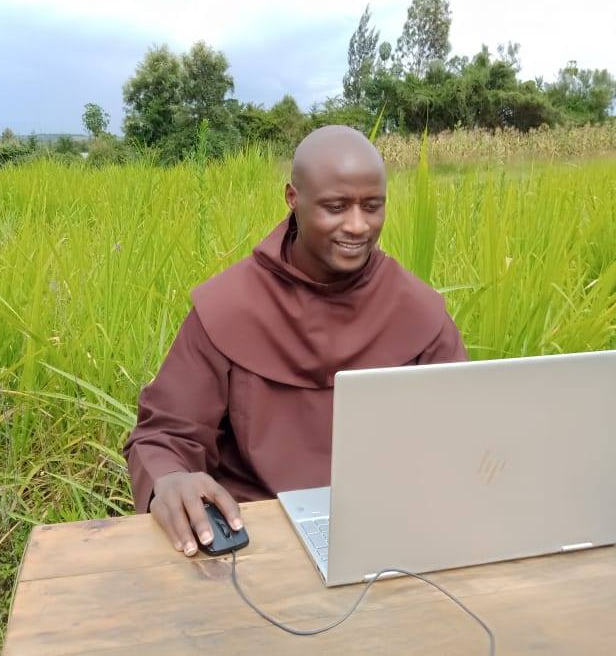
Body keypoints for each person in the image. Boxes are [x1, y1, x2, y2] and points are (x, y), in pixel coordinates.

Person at [123, 125, 467, 556]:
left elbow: (460, 435)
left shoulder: (418, 312)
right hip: (252, 538)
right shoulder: (229, 307)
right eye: (336, 206)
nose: (358, 225)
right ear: (293, 198)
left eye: (372, 206)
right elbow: (166, 435)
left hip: (387, 532)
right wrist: (169, 479)